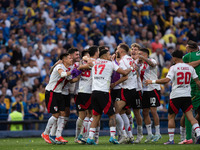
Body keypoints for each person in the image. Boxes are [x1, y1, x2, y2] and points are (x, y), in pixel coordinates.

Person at [145, 50, 200, 144]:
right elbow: (198, 82)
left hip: (176, 96)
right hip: (187, 95)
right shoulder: (190, 68)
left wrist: (152, 81)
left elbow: (166, 80)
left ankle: (171, 140)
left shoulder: (174, 68)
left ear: (174, 58)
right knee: (191, 117)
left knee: (171, 117)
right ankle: (199, 135)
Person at [86, 49, 134, 145]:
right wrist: (131, 68)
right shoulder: (110, 63)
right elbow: (124, 73)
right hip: (104, 92)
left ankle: (90, 138)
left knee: (96, 116)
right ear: (104, 56)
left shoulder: (95, 62)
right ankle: (112, 137)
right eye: (108, 54)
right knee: (112, 115)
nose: (110, 56)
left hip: (94, 92)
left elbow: (87, 59)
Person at [41, 53, 73, 144]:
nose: (71, 60)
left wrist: (79, 73)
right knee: (55, 114)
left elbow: (71, 79)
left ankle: (58, 136)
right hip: (51, 92)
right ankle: (45, 133)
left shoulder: (66, 69)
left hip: (59, 93)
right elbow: (62, 74)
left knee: (63, 113)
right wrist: (73, 72)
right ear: (64, 60)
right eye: (69, 58)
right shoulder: (59, 66)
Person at [138, 48, 161, 143]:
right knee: (145, 112)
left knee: (153, 110)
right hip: (145, 90)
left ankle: (158, 133)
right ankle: (149, 134)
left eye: (141, 53)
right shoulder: (140, 65)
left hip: (153, 88)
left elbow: (153, 64)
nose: (139, 55)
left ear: (146, 54)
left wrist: (143, 58)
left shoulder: (151, 60)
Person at [181, 40, 200, 144]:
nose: (186, 49)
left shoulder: (187, 57)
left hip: (193, 87)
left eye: (187, 48)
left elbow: (185, 66)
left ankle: (188, 136)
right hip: (196, 85)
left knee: (188, 113)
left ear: (191, 49)